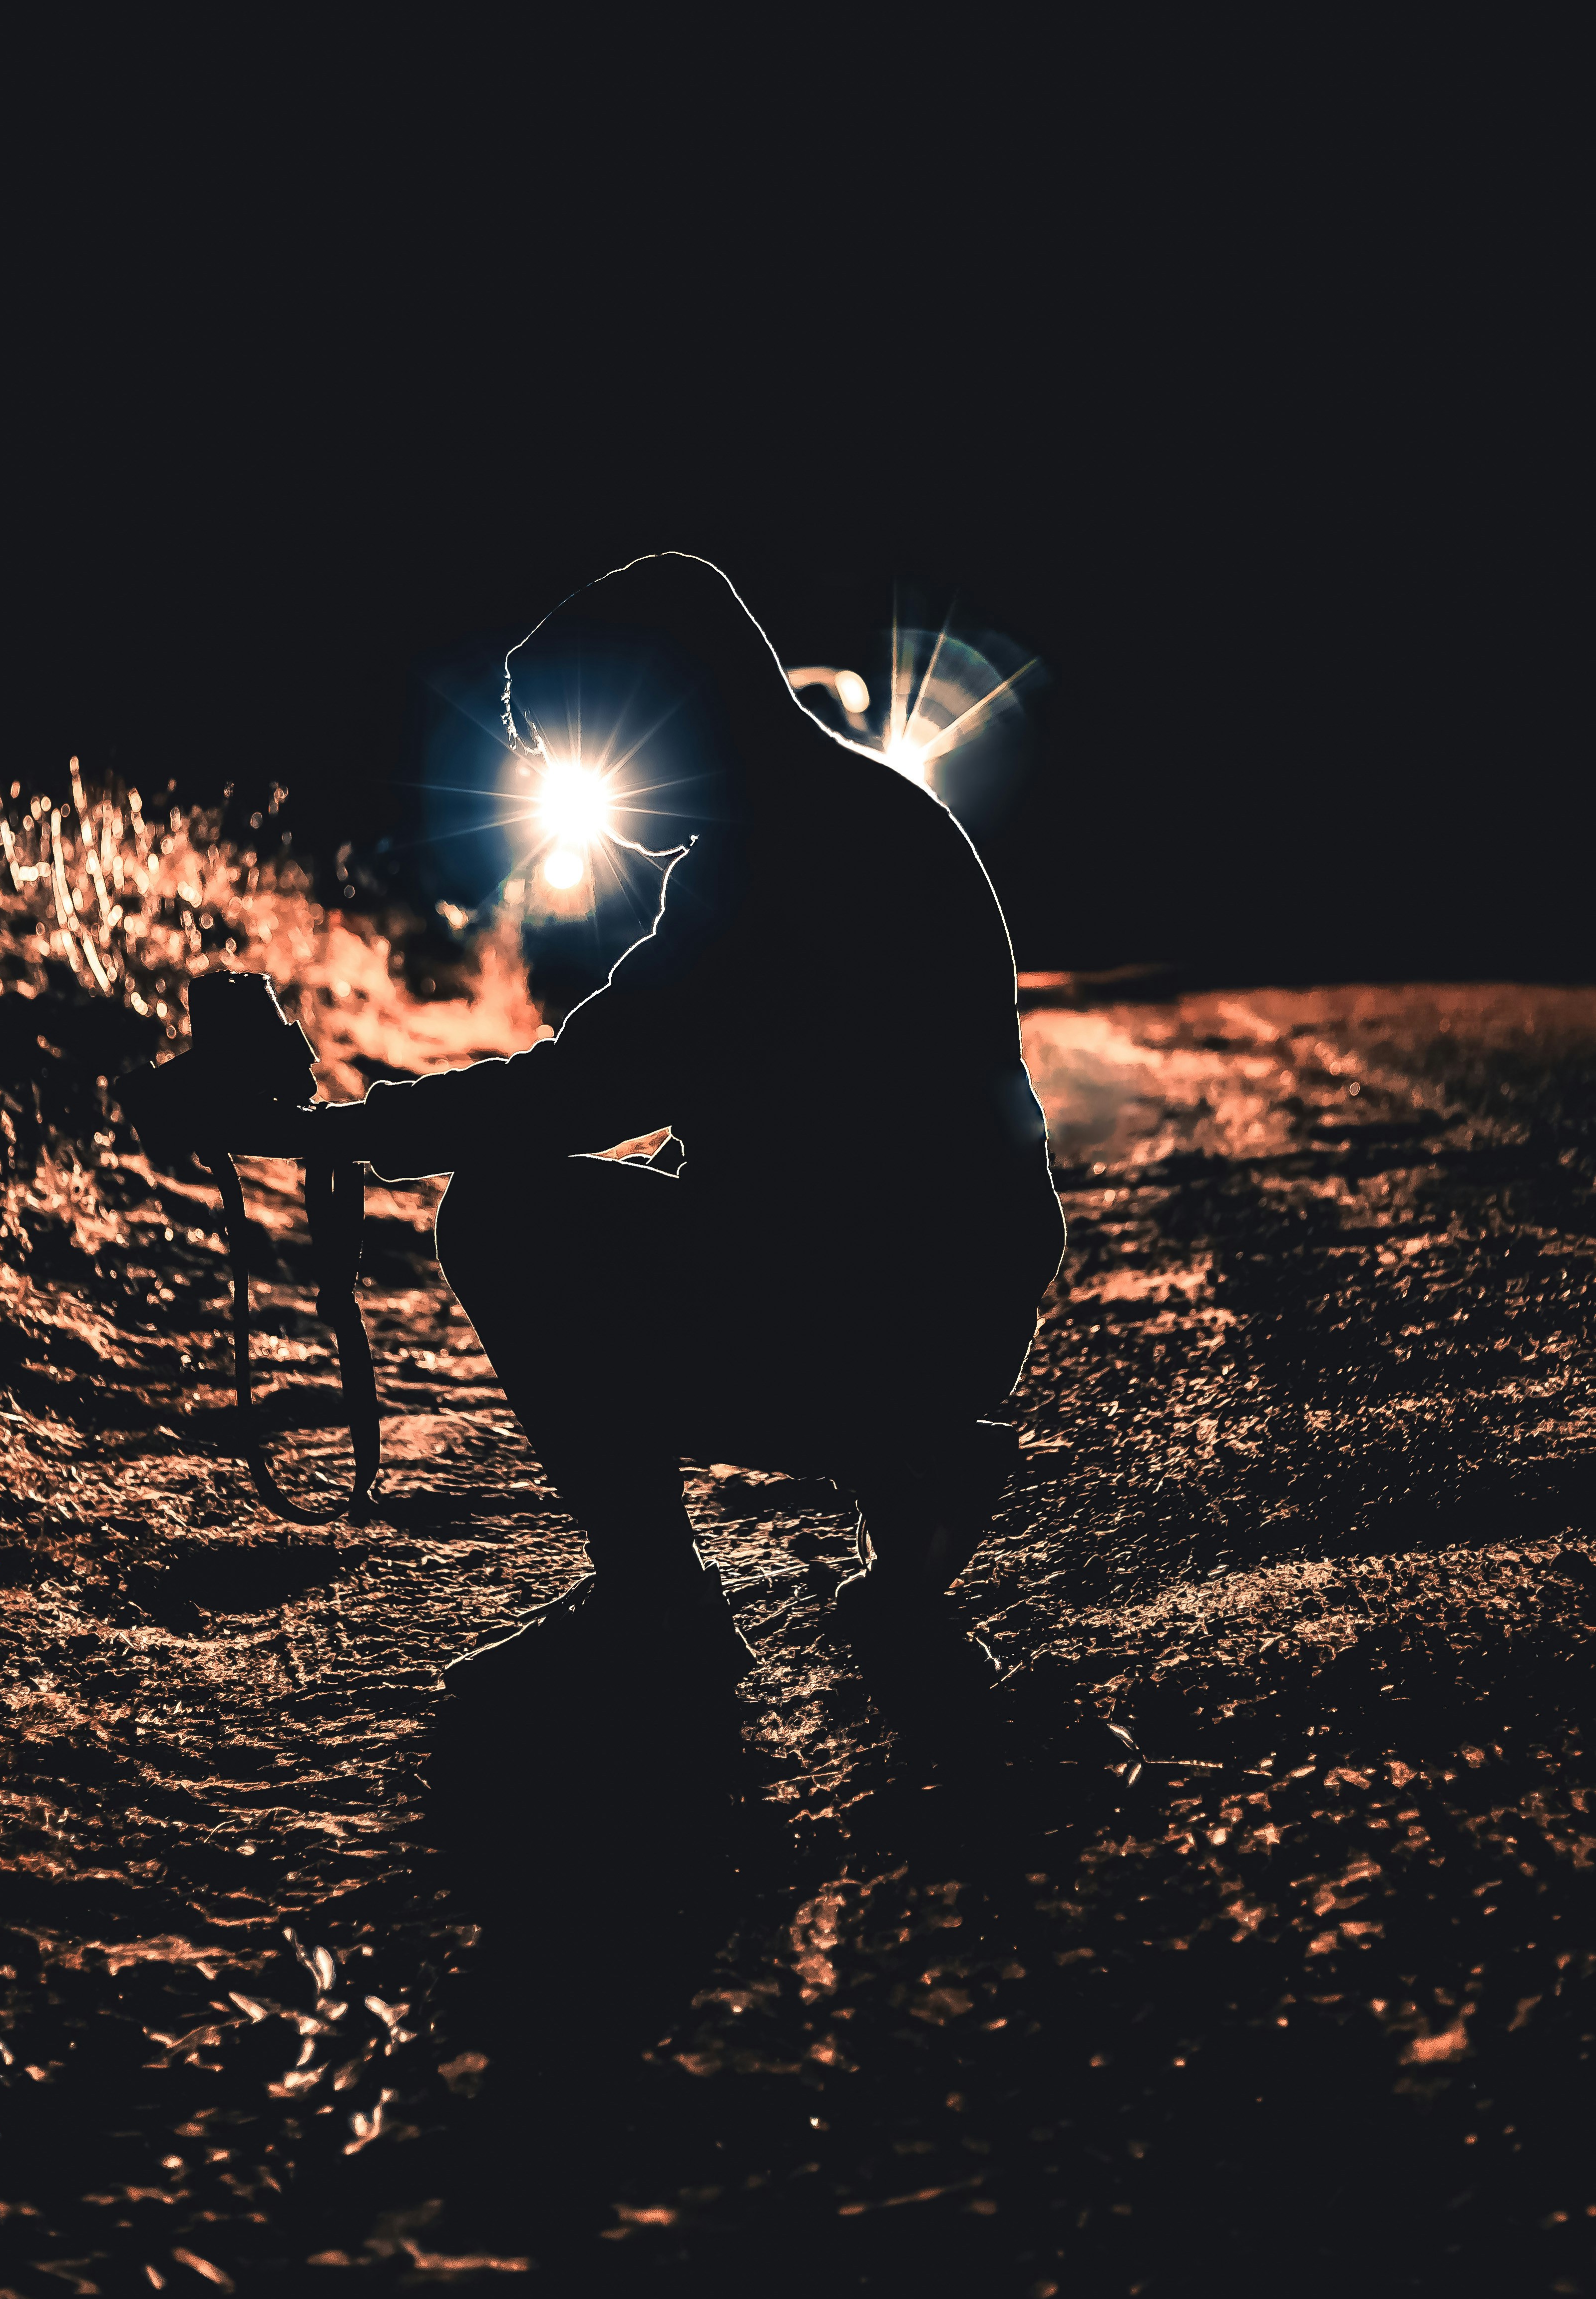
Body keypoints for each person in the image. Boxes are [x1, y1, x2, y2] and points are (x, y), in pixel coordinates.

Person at [224, 554, 1064, 1702]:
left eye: (594, 758)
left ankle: (669, 1588)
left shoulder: (776, 867)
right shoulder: (863, 818)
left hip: (889, 1311)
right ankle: (904, 1453)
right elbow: (742, 1120)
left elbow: (580, 1091)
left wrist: (332, 1131)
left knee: (505, 1214)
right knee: (677, 1198)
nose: (608, 802)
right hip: (954, 1297)